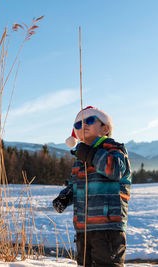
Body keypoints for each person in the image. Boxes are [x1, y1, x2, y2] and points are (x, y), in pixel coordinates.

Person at [53, 106, 132, 267]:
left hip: (108, 227)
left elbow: (115, 170)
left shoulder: (115, 149)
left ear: (105, 128)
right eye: (77, 125)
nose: (83, 125)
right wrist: (65, 196)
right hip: (83, 228)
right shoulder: (80, 158)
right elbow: (77, 184)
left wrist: (90, 154)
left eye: (89, 120)